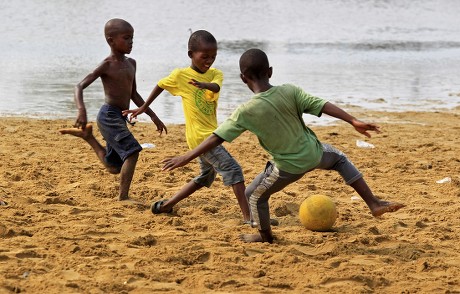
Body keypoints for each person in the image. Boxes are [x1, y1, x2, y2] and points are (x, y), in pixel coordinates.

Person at [162, 48, 405, 243]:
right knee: (340, 159)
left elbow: (216, 138)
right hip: (315, 154)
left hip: (287, 167)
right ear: (270, 70)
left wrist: (187, 157)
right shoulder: (289, 91)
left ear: (242, 78)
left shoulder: (246, 111)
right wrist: (352, 120)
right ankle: (373, 203)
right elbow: (322, 105)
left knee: (254, 196)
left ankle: (264, 236)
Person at [122, 30, 251, 222]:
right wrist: (144, 107)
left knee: (205, 177)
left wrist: (203, 84)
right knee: (235, 172)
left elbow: (216, 87)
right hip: (202, 137)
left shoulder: (216, 73)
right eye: (204, 56)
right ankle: (250, 218)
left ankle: (165, 206)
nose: (209, 61)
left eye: (213, 57)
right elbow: (161, 85)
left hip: (209, 135)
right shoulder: (180, 75)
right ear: (191, 54)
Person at [60, 18, 167, 202]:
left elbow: (134, 94)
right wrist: (81, 110)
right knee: (132, 152)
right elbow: (79, 86)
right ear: (111, 40)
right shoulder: (107, 65)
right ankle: (123, 197)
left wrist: (153, 115)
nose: (131, 42)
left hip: (120, 116)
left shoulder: (132, 63)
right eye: (126, 38)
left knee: (115, 166)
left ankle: (88, 137)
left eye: (132, 38)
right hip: (108, 115)